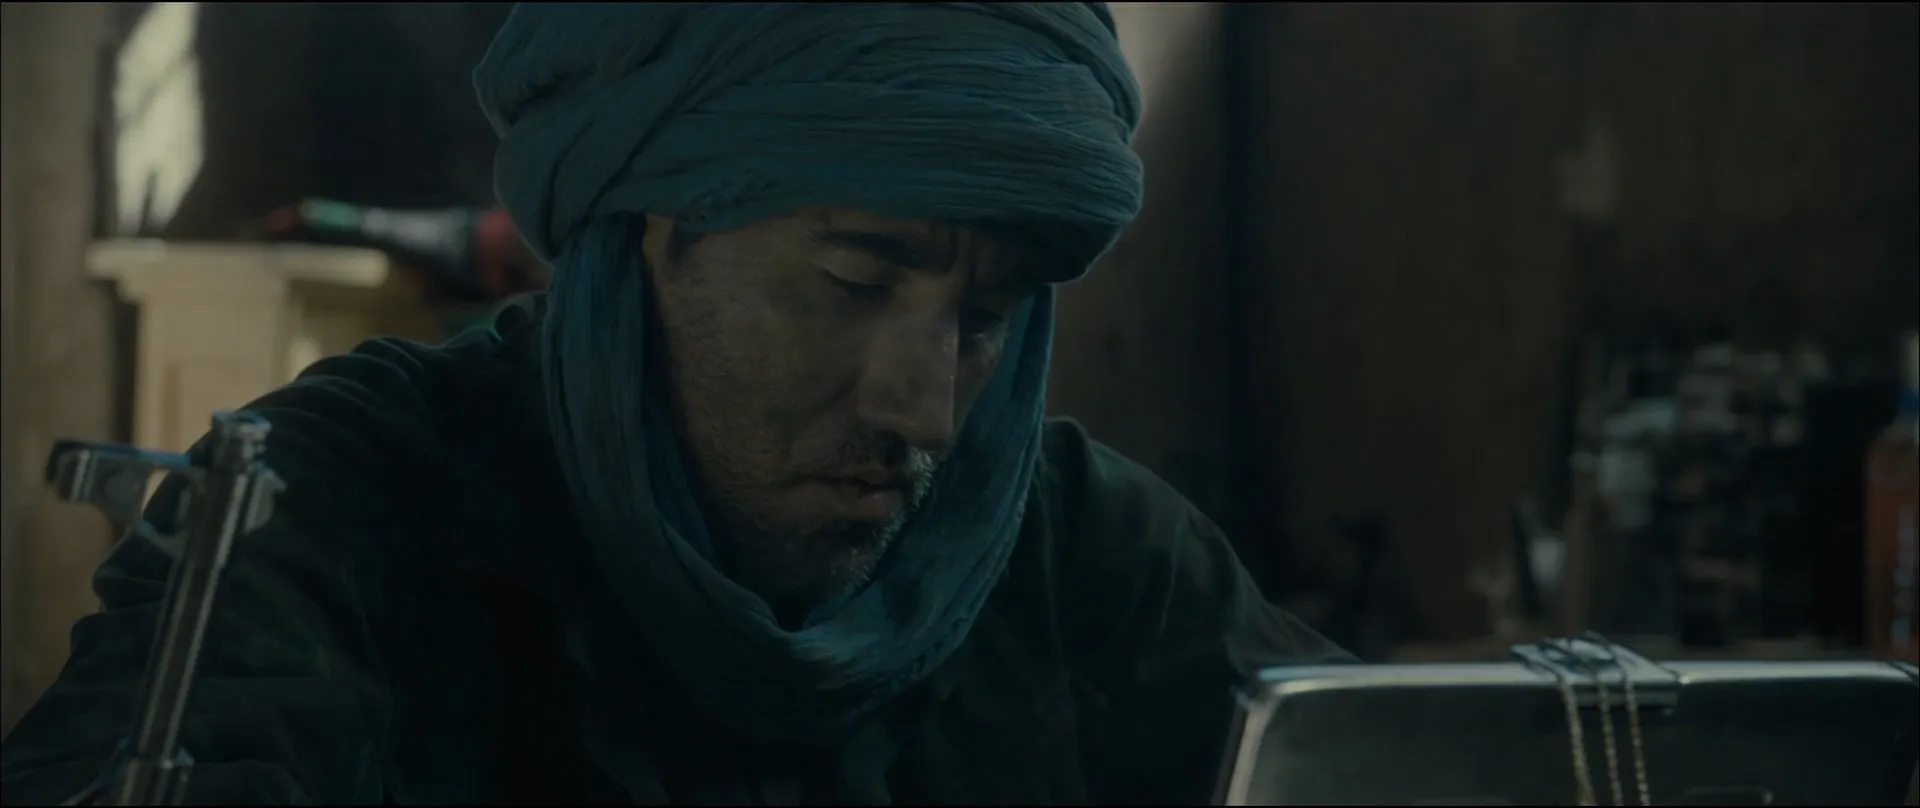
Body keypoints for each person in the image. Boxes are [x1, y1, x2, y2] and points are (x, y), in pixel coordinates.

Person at [1, 3, 1350, 804]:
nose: (928, 411)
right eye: (854, 281)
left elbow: (1377, 761)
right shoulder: (350, 497)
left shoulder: (1091, 553)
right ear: (654, 235)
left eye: (986, 320)